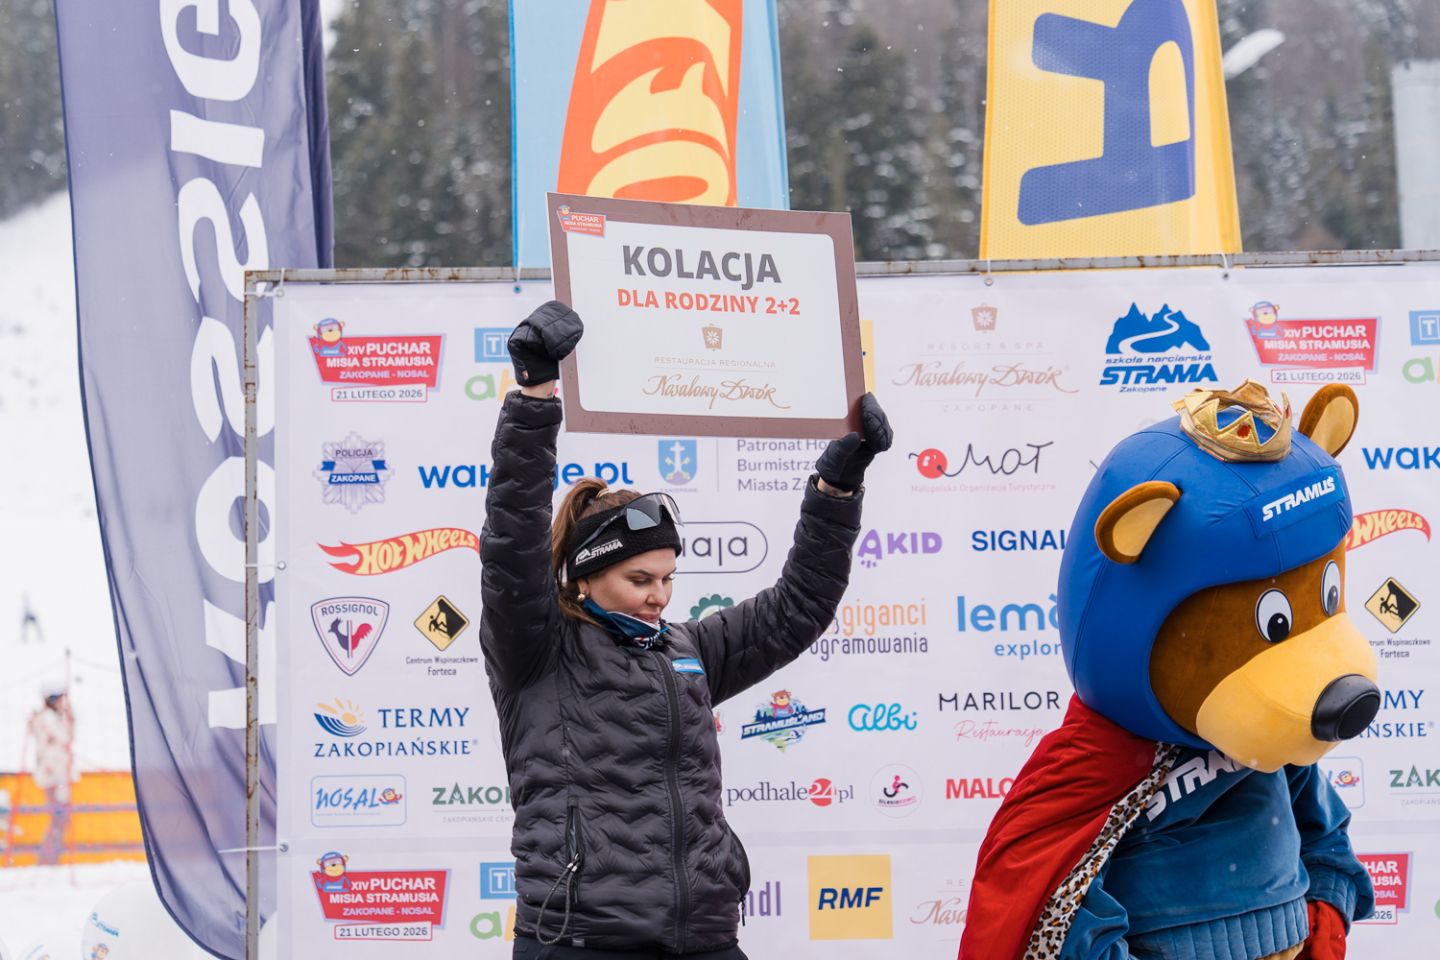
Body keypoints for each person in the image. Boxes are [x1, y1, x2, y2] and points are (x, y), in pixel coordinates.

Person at [481, 302, 892, 959]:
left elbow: (798, 607)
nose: (660, 596)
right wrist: (535, 396)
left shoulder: (685, 649)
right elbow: (513, 535)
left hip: (704, 935)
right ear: (586, 577)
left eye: (668, 577)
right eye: (640, 579)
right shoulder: (537, 647)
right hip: (586, 940)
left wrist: (835, 490)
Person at [27, 683, 74, 865]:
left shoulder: (49, 717)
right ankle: (48, 858)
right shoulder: (48, 718)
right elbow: (66, 738)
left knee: (60, 817)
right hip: (53, 773)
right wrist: (70, 719)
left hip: (56, 772)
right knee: (59, 817)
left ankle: (49, 857)